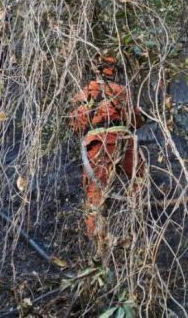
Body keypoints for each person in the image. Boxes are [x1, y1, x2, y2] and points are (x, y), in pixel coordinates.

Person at [69, 55, 143, 239]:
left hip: (96, 145)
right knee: (138, 180)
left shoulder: (84, 93)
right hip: (123, 141)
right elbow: (135, 119)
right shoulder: (121, 91)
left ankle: (95, 237)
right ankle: (139, 224)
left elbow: (76, 125)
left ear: (95, 69)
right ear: (114, 70)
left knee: (95, 192)